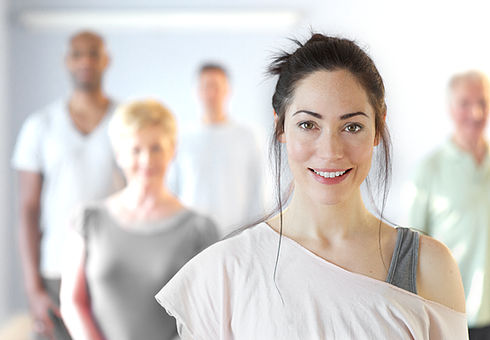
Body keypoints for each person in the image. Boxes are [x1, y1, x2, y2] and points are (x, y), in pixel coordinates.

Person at [155, 33, 468, 339]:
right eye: (308, 124)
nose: (330, 150)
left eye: (352, 126)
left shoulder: (429, 267)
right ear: (280, 126)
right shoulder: (223, 272)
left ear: (377, 129)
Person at [59, 99, 219, 340]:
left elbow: (207, 314)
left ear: (172, 150)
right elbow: (73, 302)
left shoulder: (199, 229)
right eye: (136, 150)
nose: (146, 160)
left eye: (156, 148)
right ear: (119, 155)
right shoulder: (88, 221)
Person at [11, 31, 123, 340]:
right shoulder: (40, 126)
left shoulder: (125, 122)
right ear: (67, 61)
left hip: (112, 271)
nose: (85, 60)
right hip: (55, 273)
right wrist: (33, 288)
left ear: (106, 60)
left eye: (93, 53)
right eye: (77, 54)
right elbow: (28, 210)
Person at [407, 70, 490, 339]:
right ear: (450, 108)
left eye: (483, 103)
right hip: (452, 314)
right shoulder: (429, 170)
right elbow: (412, 246)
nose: (476, 113)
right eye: (465, 103)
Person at [167, 63, 266, 236]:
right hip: (192, 237)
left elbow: (257, 189)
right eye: (206, 87)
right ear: (196, 91)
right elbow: (172, 190)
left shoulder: (247, 136)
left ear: (228, 90)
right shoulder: (181, 138)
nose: (211, 94)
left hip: (237, 234)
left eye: (216, 86)